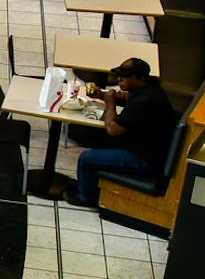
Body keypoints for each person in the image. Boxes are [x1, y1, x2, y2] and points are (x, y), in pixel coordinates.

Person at [69, 57, 177, 206]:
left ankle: (86, 198)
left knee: (86, 158)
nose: (119, 79)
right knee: (97, 140)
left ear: (137, 77)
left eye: (124, 77)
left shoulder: (145, 100)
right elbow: (127, 98)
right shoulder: (149, 87)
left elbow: (112, 129)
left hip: (145, 160)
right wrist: (101, 94)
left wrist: (110, 102)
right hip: (144, 147)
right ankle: (89, 185)